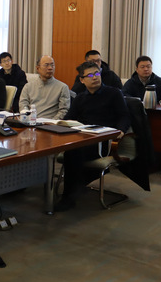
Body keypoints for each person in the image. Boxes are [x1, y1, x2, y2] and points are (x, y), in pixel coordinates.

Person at [55, 61, 131, 211]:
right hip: (84, 138)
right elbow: (69, 118)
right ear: (82, 80)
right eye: (90, 75)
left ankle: (68, 197)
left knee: (72, 152)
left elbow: (125, 116)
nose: (95, 77)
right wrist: (62, 124)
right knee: (72, 149)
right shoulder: (80, 98)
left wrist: (121, 131)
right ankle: (76, 187)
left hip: (104, 141)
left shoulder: (114, 93)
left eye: (97, 73)